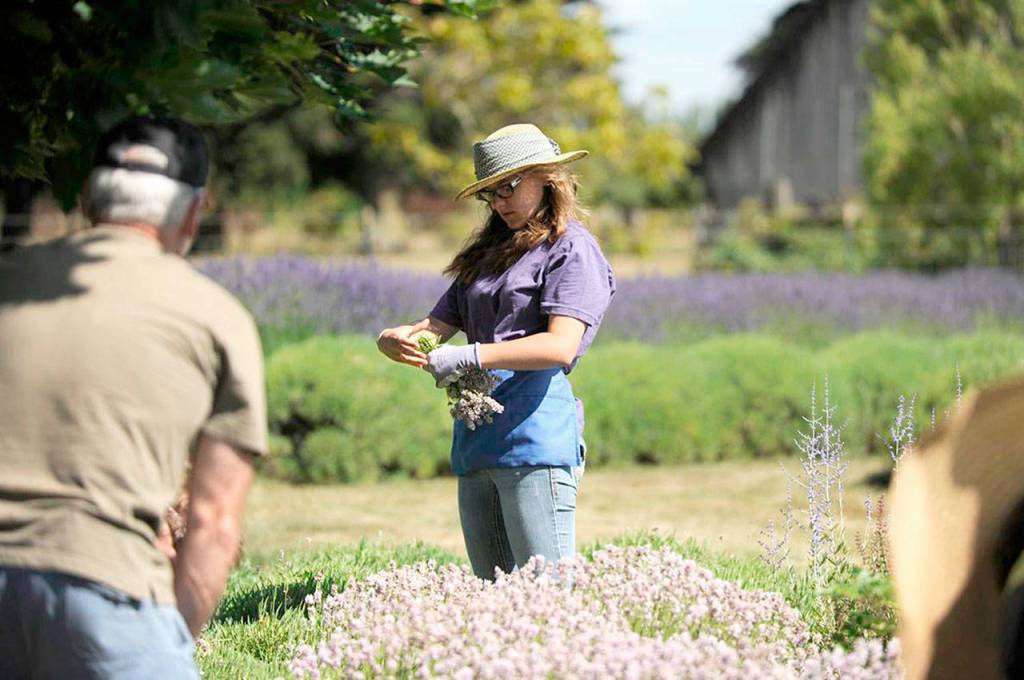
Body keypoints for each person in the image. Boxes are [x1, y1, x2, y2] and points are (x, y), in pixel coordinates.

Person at [0, 116, 267, 679]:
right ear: (194, 213)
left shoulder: (9, 279)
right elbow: (214, 523)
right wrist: (171, 640)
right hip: (105, 591)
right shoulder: (216, 318)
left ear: (85, 200)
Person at [377, 123, 615, 580]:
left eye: (508, 187)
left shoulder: (571, 250)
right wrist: (398, 339)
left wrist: (471, 357)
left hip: (534, 440)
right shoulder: (489, 253)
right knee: (492, 597)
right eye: (490, 194)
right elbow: (436, 328)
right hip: (477, 441)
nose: (499, 203)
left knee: (545, 595)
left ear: (547, 178)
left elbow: (560, 346)